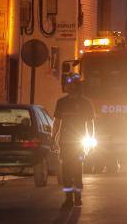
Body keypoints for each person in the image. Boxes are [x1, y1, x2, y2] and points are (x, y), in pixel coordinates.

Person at [52, 74, 95, 208]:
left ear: (78, 87)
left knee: (77, 170)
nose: (70, 87)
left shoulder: (86, 103)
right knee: (66, 171)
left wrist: (91, 139)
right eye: (68, 85)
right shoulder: (61, 103)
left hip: (79, 143)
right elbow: (57, 122)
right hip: (65, 142)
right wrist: (53, 137)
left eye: (73, 85)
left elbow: (90, 124)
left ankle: (78, 197)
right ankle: (68, 198)